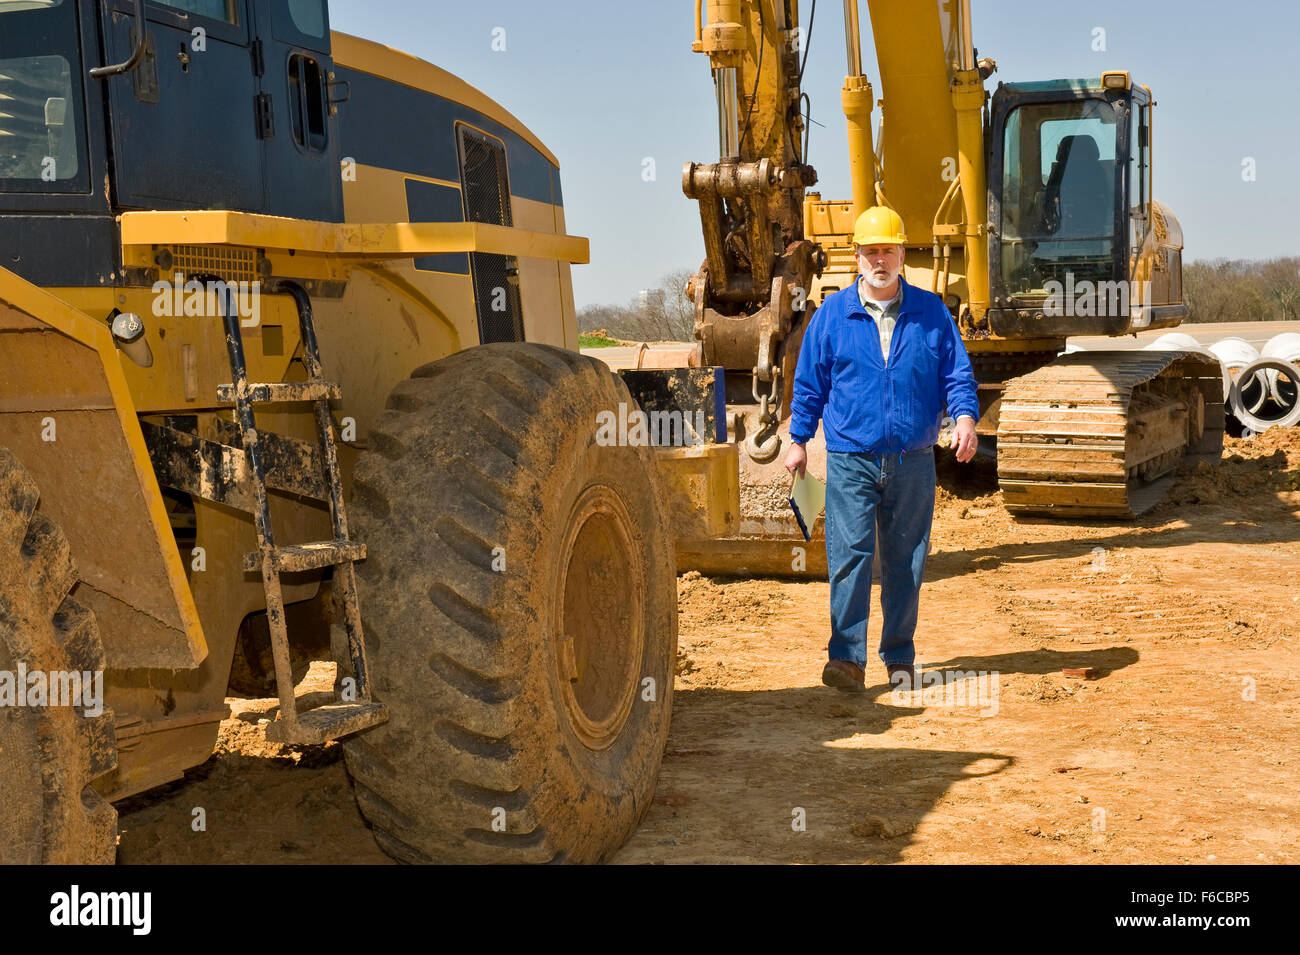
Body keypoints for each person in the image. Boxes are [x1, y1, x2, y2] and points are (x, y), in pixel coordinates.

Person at [784, 206, 979, 693]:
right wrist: (799, 441)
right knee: (849, 556)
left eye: (887, 250)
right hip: (851, 460)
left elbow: (956, 375)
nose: (879, 259)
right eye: (870, 250)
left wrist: (966, 418)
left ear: (901, 254)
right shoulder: (832, 315)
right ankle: (846, 661)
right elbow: (809, 384)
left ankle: (899, 658)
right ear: (856, 256)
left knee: (906, 561)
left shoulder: (932, 313)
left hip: (913, 460)